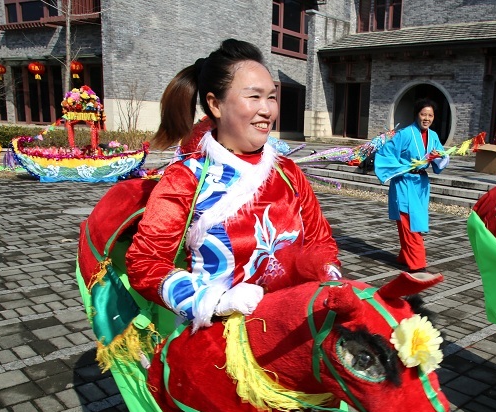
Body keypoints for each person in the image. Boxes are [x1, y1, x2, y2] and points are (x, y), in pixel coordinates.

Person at [126, 39, 341, 331]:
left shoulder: (288, 172)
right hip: (216, 343)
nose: (267, 110)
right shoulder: (186, 179)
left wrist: (328, 274)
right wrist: (216, 301)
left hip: (290, 332)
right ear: (215, 104)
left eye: (272, 97)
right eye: (254, 97)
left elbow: (319, 241)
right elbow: (145, 262)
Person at [374, 98, 450, 273]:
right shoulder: (405, 134)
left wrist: (438, 157)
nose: (426, 118)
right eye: (423, 114)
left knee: (417, 221)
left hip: (421, 184)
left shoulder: (434, 136)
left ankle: (405, 256)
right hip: (404, 182)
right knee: (409, 222)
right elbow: (385, 153)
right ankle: (417, 262)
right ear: (417, 114)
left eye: (430, 115)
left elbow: (441, 156)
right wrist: (403, 167)